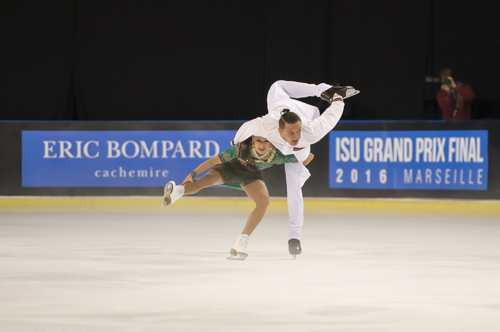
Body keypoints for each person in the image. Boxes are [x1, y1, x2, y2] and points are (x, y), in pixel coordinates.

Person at [232, 80, 359, 257]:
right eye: (291, 133)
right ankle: (323, 90)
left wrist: (336, 98)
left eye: (298, 132)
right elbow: (249, 127)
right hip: (280, 129)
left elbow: (332, 116)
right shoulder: (268, 124)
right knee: (276, 85)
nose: (296, 136)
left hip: (301, 143)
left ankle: (294, 236)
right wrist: (236, 143)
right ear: (279, 131)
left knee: (293, 183)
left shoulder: (310, 132)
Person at [162, 135, 314, 260]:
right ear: (252, 140)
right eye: (258, 140)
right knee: (203, 181)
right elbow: (212, 161)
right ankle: (177, 191)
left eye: (266, 141)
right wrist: (192, 174)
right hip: (228, 169)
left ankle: (242, 241)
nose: (262, 145)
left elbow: (307, 157)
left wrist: (301, 157)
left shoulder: (278, 156)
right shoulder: (241, 149)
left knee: (264, 201)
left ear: (271, 143)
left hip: (251, 177)